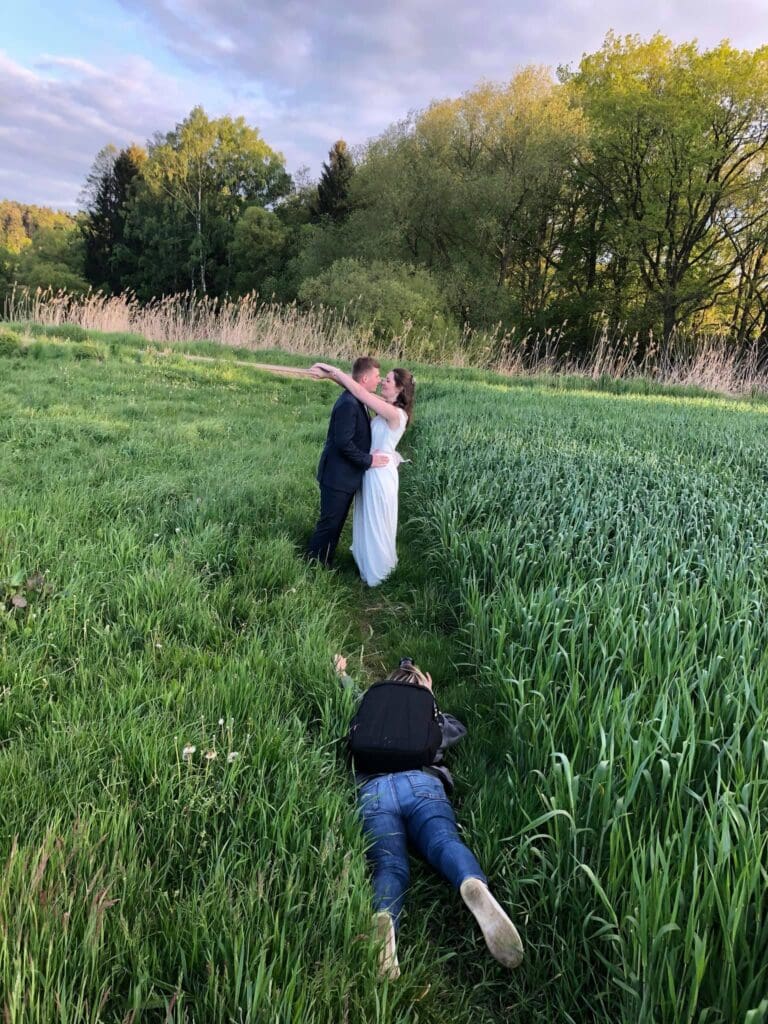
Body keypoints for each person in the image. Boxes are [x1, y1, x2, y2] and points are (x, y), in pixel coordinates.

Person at [335, 654, 524, 981]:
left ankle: (385, 916)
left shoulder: (371, 699)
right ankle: (470, 880)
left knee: (389, 865)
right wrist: (431, 700)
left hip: (374, 789)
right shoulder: (427, 707)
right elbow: (454, 731)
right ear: (421, 684)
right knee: (443, 841)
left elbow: (353, 704)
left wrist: (342, 674)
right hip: (421, 783)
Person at [310, 362, 414, 586]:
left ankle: (378, 572)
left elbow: (359, 389)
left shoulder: (395, 413)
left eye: (387, 380)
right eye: (381, 377)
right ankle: (365, 563)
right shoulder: (383, 406)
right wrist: (328, 376)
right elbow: (359, 387)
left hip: (379, 473)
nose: (382, 382)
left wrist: (334, 371)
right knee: (367, 520)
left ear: (399, 389)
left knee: (377, 522)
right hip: (370, 470)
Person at [306, 357, 390, 567]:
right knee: (329, 524)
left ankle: (325, 560)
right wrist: (369, 460)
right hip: (337, 475)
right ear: (364, 378)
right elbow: (343, 443)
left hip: (345, 476)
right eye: (377, 376)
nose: (379, 381)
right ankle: (313, 563)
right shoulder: (349, 404)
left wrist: (331, 375)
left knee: (336, 524)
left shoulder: (358, 398)